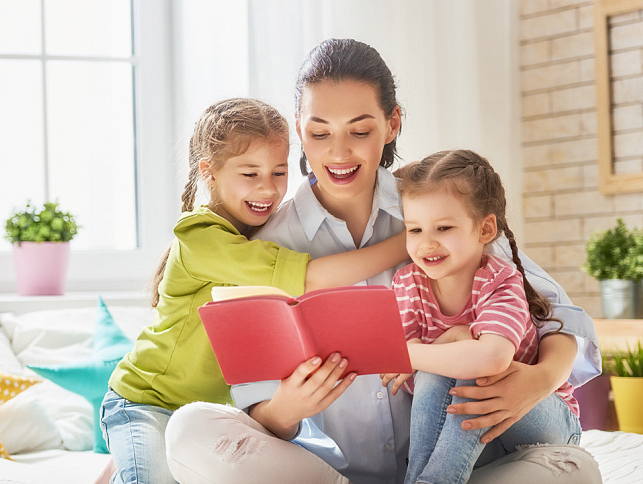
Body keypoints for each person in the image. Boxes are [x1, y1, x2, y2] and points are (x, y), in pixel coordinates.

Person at [165, 38, 601, 483]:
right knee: (189, 430)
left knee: (573, 469)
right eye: (319, 133)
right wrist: (288, 408)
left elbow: (562, 319)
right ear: (299, 129)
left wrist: (541, 380)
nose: (338, 153)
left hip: (469, 469)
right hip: (339, 474)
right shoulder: (269, 247)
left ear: (391, 124)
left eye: (359, 130)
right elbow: (258, 405)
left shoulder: (437, 210)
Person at [100, 97, 409, 484]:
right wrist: (405, 242)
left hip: (217, 417)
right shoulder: (201, 236)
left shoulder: (260, 231)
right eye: (250, 174)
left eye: (279, 173)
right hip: (149, 402)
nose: (268, 189)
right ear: (208, 172)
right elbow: (309, 277)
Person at [382, 149, 581, 484]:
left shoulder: (500, 281)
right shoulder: (407, 284)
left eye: (443, 227)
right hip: (472, 436)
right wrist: (449, 342)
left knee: (475, 369)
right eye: (414, 230)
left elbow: (492, 358)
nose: (426, 243)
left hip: (542, 422)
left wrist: (412, 353)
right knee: (443, 369)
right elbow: (407, 378)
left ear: (486, 229)